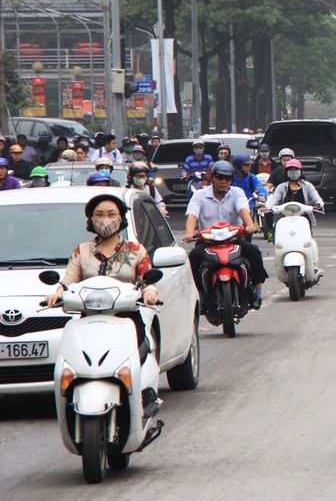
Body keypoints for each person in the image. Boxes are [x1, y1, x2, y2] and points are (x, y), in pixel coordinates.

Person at [41, 195, 160, 414]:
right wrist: (57, 293)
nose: (105, 220)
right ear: (90, 219)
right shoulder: (81, 251)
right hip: (88, 321)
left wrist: (150, 292)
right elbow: (67, 282)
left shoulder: (135, 250)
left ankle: (143, 396)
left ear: (121, 218)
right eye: (99, 214)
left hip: (126, 319)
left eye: (111, 214)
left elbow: (146, 281)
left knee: (137, 355)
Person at [183, 160, 267, 310]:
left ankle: (257, 292)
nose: (223, 181)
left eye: (227, 178)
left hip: (233, 240)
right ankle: (201, 296)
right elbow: (192, 216)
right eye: (219, 177)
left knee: (254, 251)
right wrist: (189, 233)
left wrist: (249, 225)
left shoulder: (237, 193)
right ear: (212, 178)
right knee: (193, 257)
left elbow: (243, 210)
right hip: (207, 242)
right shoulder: (200, 195)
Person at [262, 159, 324, 229]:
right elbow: (274, 199)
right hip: (285, 218)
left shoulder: (308, 186)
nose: (293, 172)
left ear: (301, 171)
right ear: (286, 172)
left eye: (296, 169)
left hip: (304, 219)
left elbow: (317, 198)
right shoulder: (281, 187)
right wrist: (267, 207)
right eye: (291, 169)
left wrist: (318, 205)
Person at [231, 153, 267, 241]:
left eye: (249, 165)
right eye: (246, 165)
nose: (248, 167)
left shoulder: (251, 177)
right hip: (232, 207)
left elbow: (259, 188)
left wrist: (261, 195)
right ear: (238, 166)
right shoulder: (230, 177)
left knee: (249, 229)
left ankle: (248, 243)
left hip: (249, 206)